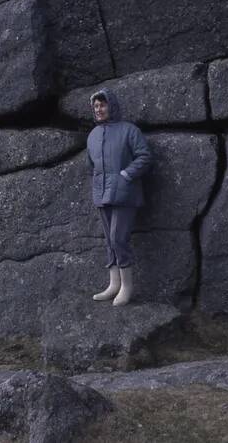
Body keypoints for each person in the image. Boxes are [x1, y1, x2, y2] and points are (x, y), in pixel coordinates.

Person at [86, 88, 152, 306]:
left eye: (102, 105)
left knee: (118, 238)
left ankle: (127, 286)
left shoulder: (129, 130)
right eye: (96, 106)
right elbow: (92, 165)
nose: (99, 109)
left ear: (111, 106)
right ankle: (113, 284)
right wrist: (97, 182)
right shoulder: (93, 135)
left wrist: (126, 175)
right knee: (109, 240)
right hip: (102, 192)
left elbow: (144, 156)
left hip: (125, 193)